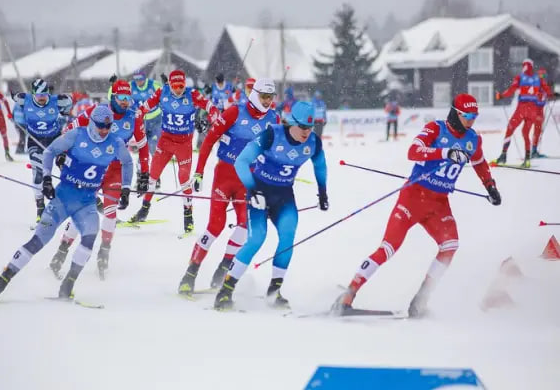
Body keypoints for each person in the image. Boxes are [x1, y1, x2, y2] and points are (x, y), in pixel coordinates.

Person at [333, 93, 502, 318]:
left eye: (475, 116)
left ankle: (421, 300)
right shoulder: (435, 129)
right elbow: (413, 152)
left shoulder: (473, 139)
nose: (471, 120)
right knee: (388, 248)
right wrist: (444, 152)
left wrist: (490, 186)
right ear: (456, 113)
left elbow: (480, 163)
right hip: (413, 198)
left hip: (439, 204)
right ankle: (349, 293)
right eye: (467, 115)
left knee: (450, 245)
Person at [0, 104, 133, 305]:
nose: (104, 130)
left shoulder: (114, 142)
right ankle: (2, 280)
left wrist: (125, 188)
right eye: (100, 126)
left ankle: (68, 285)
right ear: (92, 122)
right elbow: (50, 151)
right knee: (38, 241)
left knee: (89, 236)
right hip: (63, 197)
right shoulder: (76, 135)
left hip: (87, 201)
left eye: (108, 126)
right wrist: (46, 179)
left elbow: (128, 162)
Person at [213, 101, 329, 310]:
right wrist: (252, 189)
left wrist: (322, 190)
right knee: (257, 238)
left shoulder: (313, 142)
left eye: (310, 127)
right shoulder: (272, 135)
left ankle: (274, 291)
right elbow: (241, 161)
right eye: (302, 126)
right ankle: (225, 290)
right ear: (292, 122)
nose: (306, 132)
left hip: (284, 195)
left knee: (288, 235)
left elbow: (320, 165)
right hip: (259, 191)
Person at [178, 78, 280, 296]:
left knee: (245, 225)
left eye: (271, 97)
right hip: (225, 175)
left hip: (249, 181)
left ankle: (224, 268)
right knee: (216, 225)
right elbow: (209, 140)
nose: (267, 101)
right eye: (264, 96)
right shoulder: (235, 112)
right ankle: (190, 273)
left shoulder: (274, 119)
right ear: (255, 95)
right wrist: (198, 171)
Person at [48, 79, 150, 279]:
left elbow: (144, 146)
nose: (125, 102)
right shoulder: (98, 112)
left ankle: (104, 253)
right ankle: (62, 251)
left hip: (115, 170)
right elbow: (70, 129)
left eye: (128, 98)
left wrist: (144, 173)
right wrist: (62, 153)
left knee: (111, 212)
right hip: (91, 168)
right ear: (113, 97)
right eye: (121, 97)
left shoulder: (134, 117)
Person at [130, 70, 219, 236]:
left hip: (184, 144)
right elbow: (143, 108)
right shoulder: (162, 92)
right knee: (153, 176)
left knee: (184, 179)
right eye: (175, 86)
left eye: (181, 86)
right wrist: (135, 119)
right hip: (165, 142)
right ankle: (144, 210)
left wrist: (209, 120)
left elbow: (211, 107)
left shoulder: (192, 95)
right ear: (169, 85)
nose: (178, 90)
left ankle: (188, 217)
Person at [12, 79, 73, 222]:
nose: (42, 99)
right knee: (39, 175)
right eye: (39, 96)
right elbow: (13, 97)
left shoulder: (57, 101)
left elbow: (70, 101)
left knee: (67, 168)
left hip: (55, 140)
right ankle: (40, 208)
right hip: (35, 141)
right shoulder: (23, 99)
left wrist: (64, 112)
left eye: (45, 96)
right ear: (33, 94)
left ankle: (78, 198)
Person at [494, 59, 553, 167]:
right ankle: (527, 159)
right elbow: (548, 91)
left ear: (524, 66)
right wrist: (553, 93)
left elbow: (511, 90)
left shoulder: (520, 77)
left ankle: (503, 156)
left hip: (522, 108)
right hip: (533, 111)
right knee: (525, 133)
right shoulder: (538, 79)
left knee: (510, 129)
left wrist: (501, 95)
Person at [130, 70, 163, 163]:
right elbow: (116, 94)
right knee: (142, 146)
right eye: (136, 79)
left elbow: (167, 94)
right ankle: (141, 168)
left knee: (153, 144)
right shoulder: (130, 86)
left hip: (156, 119)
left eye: (140, 79)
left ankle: (156, 166)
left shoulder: (153, 84)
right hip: (141, 120)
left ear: (145, 78)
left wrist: (166, 84)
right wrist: (113, 86)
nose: (138, 81)